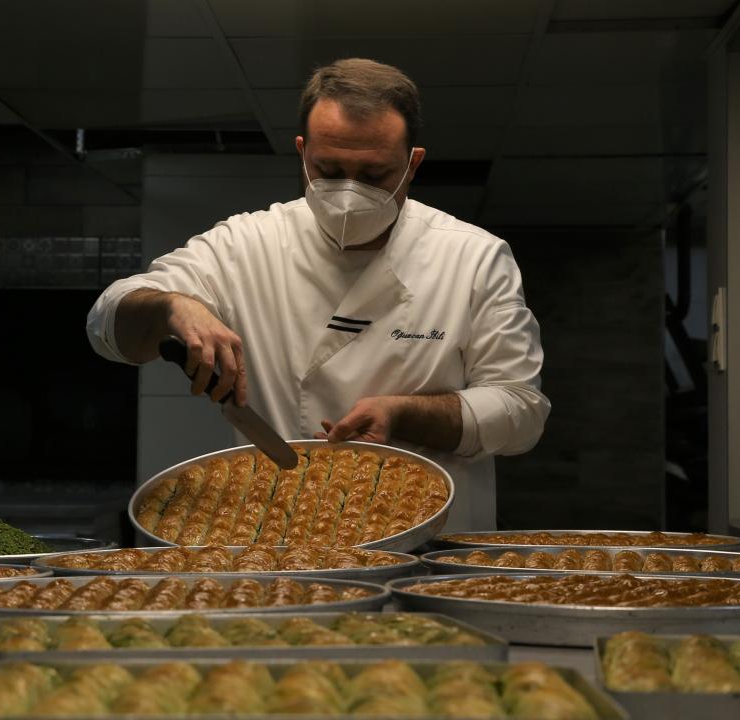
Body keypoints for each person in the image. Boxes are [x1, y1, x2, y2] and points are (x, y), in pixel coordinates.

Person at [86, 58, 548, 529]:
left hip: (427, 540)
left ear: (413, 164)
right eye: (328, 170)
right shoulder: (247, 243)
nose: (349, 193)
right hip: (281, 537)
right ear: (302, 152)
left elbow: (521, 412)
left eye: (374, 175)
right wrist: (170, 306)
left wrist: (405, 414)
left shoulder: (473, 257)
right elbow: (107, 322)